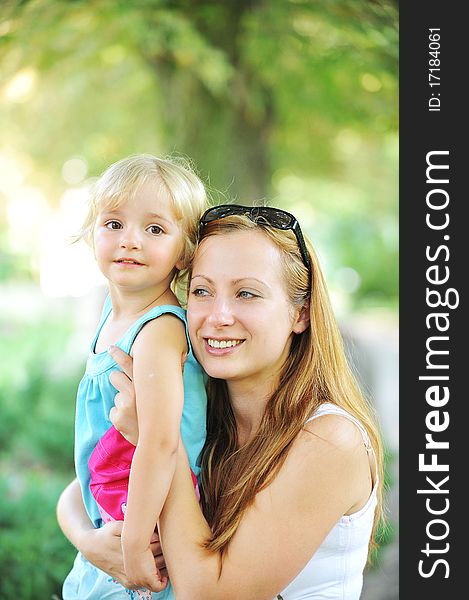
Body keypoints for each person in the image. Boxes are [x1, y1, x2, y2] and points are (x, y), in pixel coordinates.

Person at [58, 204, 384, 600]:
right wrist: (91, 542)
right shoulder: (205, 403)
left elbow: (208, 594)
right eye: (202, 291)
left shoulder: (331, 440)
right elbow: (82, 488)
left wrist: (158, 442)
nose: (218, 315)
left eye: (246, 293)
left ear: (300, 314)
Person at [61, 154, 208, 600]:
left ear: (184, 253)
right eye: (114, 224)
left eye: (155, 229)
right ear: (92, 235)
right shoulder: (113, 315)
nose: (130, 241)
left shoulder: (159, 329)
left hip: (150, 534)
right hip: (113, 519)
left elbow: (160, 441)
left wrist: (134, 544)